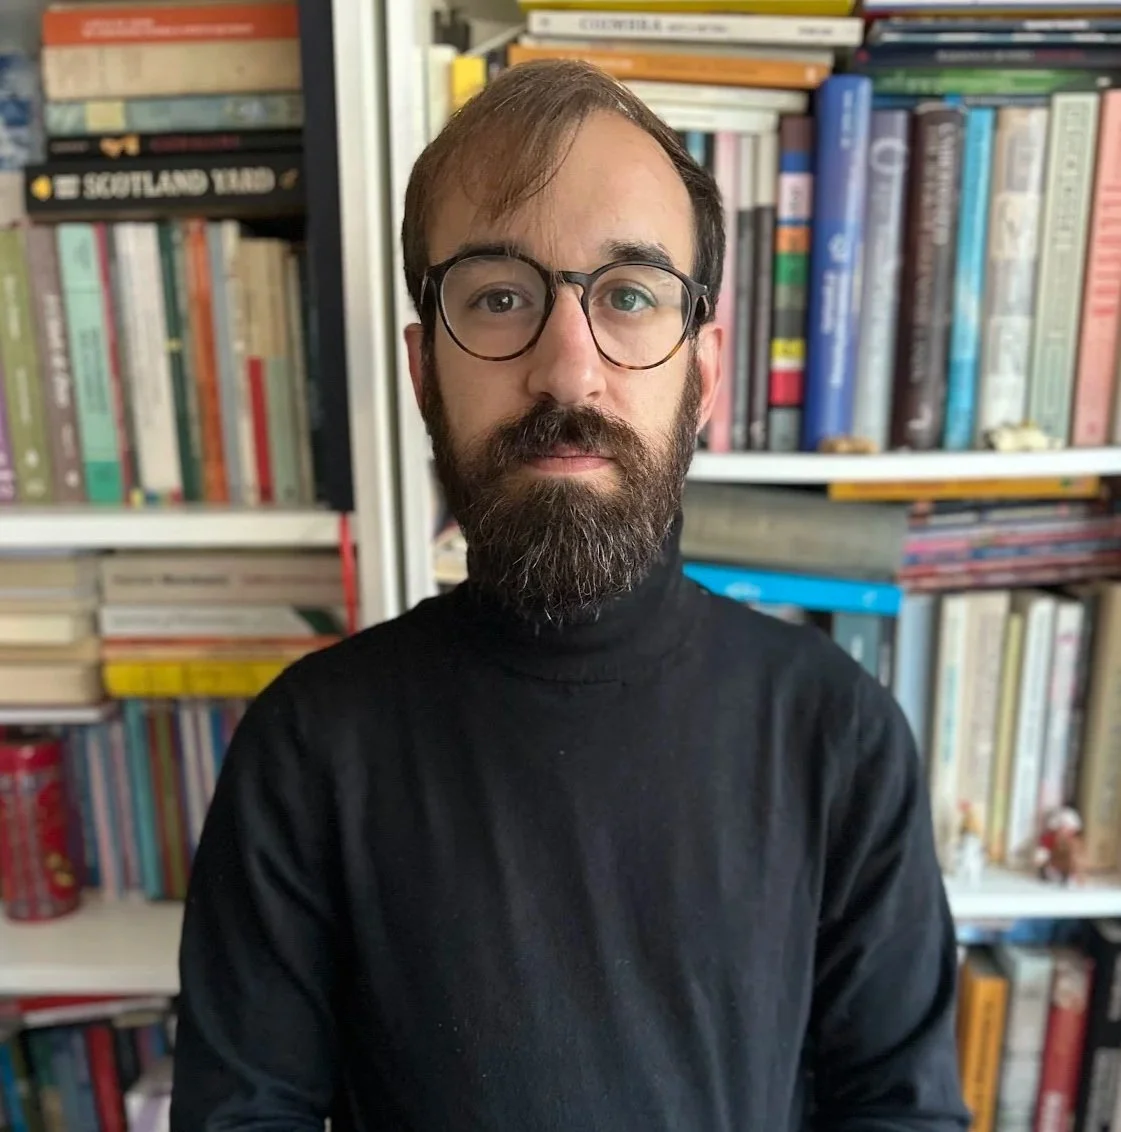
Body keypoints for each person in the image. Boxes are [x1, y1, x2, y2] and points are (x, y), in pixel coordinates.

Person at [171, 59, 969, 1131]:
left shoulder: (837, 737)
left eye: (628, 296)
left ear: (703, 374)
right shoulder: (308, 748)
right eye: (498, 295)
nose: (566, 369)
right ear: (422, 370)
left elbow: (896, 1112)